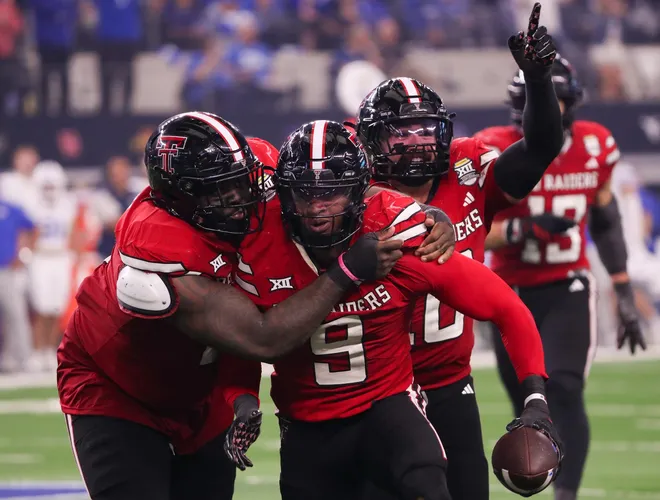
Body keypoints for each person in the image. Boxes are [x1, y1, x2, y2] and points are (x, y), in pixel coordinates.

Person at [56, 111, 406, 500]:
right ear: (182, 197)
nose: (244, 198)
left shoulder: (255, 164)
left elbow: (337, 185)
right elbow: (262, 338)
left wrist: (416, 214)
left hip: (202, 389)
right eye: (223, 191)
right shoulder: (158, 246)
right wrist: (346, 271)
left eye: (243, 181)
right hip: (118, 387)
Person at [235, 120, 561, 500]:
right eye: (305, 194)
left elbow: (506, 306)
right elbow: (242, 339)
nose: (317, 207)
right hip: (307, 422)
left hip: (386, 405)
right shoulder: (258, 242)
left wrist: (536, 398)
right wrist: (241, 397)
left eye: (332, 193)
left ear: (361, 191)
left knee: (428, 480)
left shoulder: (396, 232)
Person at [357, 4, 564, 500]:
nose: (418, 145)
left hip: (449, 380)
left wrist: (538, 81)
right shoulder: (350, 192)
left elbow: (539, 148)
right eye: (401, 134)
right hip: (371, 387)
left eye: (426, 131)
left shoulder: (468, 170)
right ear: (370, 141)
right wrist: (421, 215)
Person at [476, 55, 646, 500]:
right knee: (529, 404)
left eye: (561, 100)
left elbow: (606, 221)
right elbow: (468, 232)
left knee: (566, 388)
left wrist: (624, 290)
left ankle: (566, 493)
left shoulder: (595, 145)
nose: (555, 110)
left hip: (568, 283)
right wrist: (523, 228)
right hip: (508, 292)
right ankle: (536, 476)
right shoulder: (492, 148)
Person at [27, 160, 79, 371]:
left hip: (60, 257)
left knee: (56, 307)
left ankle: (49, 350)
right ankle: (37, 351)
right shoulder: (31, 204)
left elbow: (74, 232)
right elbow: (28, 234)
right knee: (41, 307)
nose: (49, 190)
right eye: (45, 186)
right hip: (40, 258)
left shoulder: (68, 204)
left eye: (52, 185)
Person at [0, 197, 36, 373]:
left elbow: (30, 228)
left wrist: (23, 253)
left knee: (16, 315)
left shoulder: (9, 207)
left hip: (7, 269)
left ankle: (23, 358)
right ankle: (9, 358)